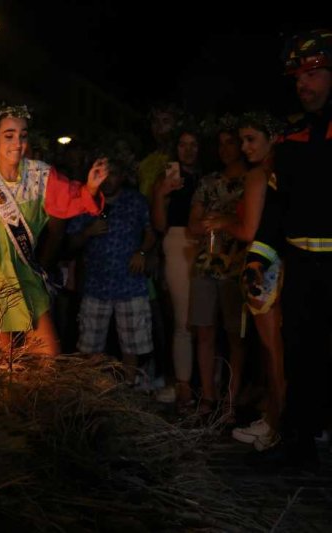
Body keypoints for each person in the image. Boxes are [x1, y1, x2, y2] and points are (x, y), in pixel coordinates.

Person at [0, 104, 107, 356]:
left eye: (22, 135)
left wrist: (90, 188)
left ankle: (35, 396)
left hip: (24, 275)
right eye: (9, 135)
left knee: (48, 356)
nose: (17, 142)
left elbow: (72, 200)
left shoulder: (40, 175)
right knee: (4, 363)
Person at [247, 29, 332, 468]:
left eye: (314, 72)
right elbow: (276, 213)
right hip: (303, 270)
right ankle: (299, 441)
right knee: (299, 354)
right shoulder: (291, 144)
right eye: (299, 75)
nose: (304, 83)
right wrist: (258, 257)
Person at [209, 112, 285, 451]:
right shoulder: (286, 172)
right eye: (242, 140)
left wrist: (224, 222)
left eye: (251, 139)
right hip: (287, 262)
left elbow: (250, 232)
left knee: (273, 351)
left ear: (272, 137)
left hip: (262, 268)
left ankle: (275, 423)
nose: (244, 146)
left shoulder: (257, 176)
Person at [67, 157, 156, 383]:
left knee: (133, 343)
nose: (108, 179)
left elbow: (151, 232)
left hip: (130, 283)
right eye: (103, 174)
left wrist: (143, 252)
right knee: (90, 344)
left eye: (113, 173)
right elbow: (70, 242)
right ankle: (93, 391)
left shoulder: (136, 201)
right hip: (97, 284)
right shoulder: (86, 202)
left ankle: (130, 386)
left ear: (123, 176)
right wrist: (88, 232)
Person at [188, 118, 248, 422]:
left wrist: (229, 223)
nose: (226, 148)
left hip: (238, 265)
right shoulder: (209, 181)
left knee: (235, 335)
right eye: (221, 142)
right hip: (206, 262)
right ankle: (208, 398)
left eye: (231, 142)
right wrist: (210, 222)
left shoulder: (253, 180)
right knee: (204, 330)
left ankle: (231, 401)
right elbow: (193, 224)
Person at [151, 127, 201, 409]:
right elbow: (159, 225)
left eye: (193, 144)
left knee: (206, 316)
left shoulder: (208, 176)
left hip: (207, 241)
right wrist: (161, 194)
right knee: (183, 317)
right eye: (183, 144)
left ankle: (206, 382)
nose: (189, 150)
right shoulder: (169, 177)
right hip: (178, 240)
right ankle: (183, 384)